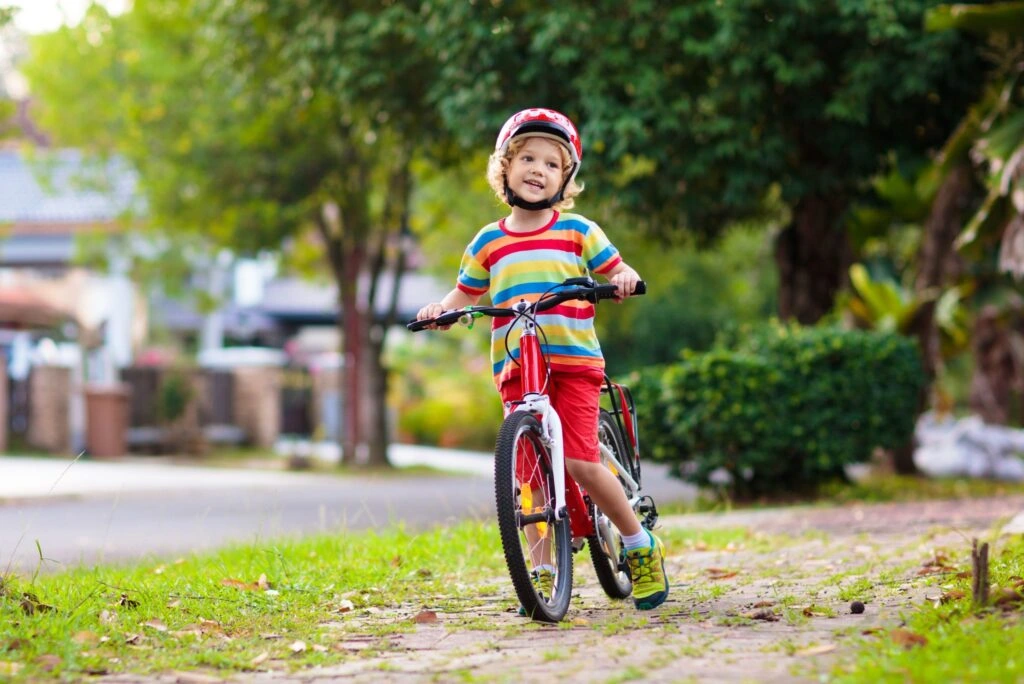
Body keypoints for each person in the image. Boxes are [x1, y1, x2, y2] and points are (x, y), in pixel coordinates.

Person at [415, 108, 669, 611]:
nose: (538, 169)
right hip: (517, 368)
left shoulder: (577, 231)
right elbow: (463, 295)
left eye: (551, 164)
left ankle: (639, 544)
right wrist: (439, 312)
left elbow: (618, 268)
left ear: (565, 178)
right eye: (526, 158)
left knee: (579, 459)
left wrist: (621, 280)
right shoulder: (488, 241)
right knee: (528, 474)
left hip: (572, 362)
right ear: (504, 169)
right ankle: (542, 568)